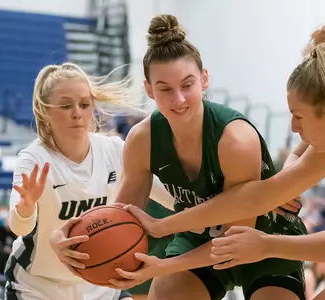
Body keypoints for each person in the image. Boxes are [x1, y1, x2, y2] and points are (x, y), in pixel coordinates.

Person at [126, 6, 325, 300]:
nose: (292, 127)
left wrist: (266, 245)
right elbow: (260, 196)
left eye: (299, 116)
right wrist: (162, 226)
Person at [109, 14, 307, 300]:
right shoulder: (143, 139)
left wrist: (165, 265)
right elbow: (122, 219)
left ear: (204, 79)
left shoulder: (235, 139)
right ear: (149, 90)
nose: (178, 99)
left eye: (187, 85)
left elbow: (236, 238)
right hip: (199, 237)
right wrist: (73, 238)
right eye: (165, 89)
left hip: (263, 239)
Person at [4, 62, 175, 300]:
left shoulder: (114, 150)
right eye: (65, 105)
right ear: (45, 111)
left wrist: (212, 213)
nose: (77, 112)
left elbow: (168, 196)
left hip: (100, 282)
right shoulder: (34, 159)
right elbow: (19, 227)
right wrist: (26, 209)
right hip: (39, 287)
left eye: (84, 104)